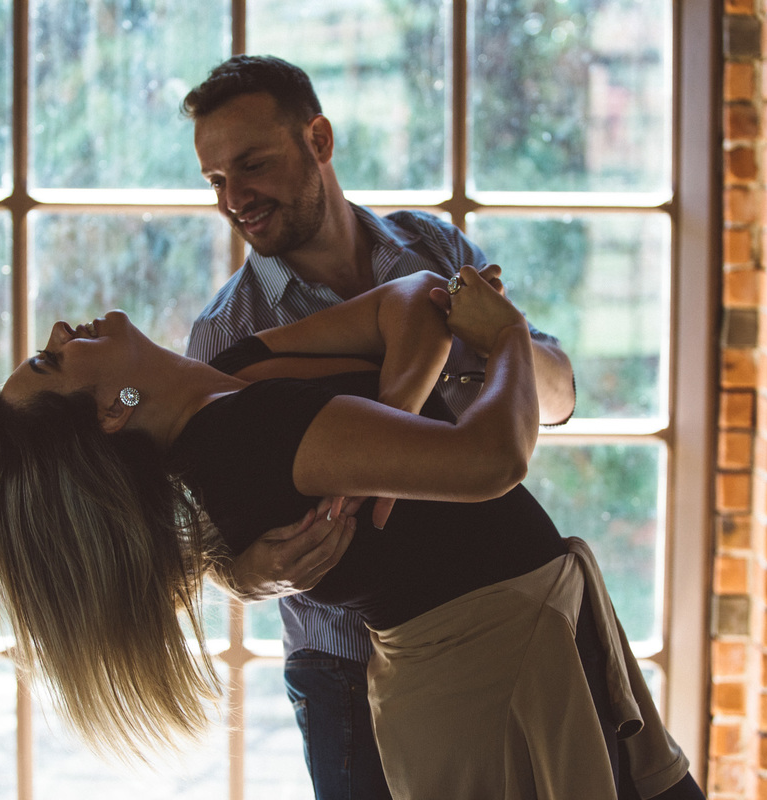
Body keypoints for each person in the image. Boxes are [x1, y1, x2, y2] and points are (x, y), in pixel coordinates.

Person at [0, 270, 705, 799]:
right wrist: (508, 336)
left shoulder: (230, 377)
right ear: (108, 412)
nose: (61, 333)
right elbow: (492, 459)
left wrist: (394, 416)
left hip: (516, 652)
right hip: (490, 683)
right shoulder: (243, 437)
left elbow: (414, 298)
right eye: (51, 360)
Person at [180, 55, 576, 800]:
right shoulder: (226, 337)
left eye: (252, 165)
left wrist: (509, 335)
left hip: (501, 629)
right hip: (347, 674)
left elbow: (554, 397)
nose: (234, 198)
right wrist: (244, 573)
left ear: (319, 140)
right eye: (214, 182)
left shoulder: (435, 248)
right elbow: (194, 537)